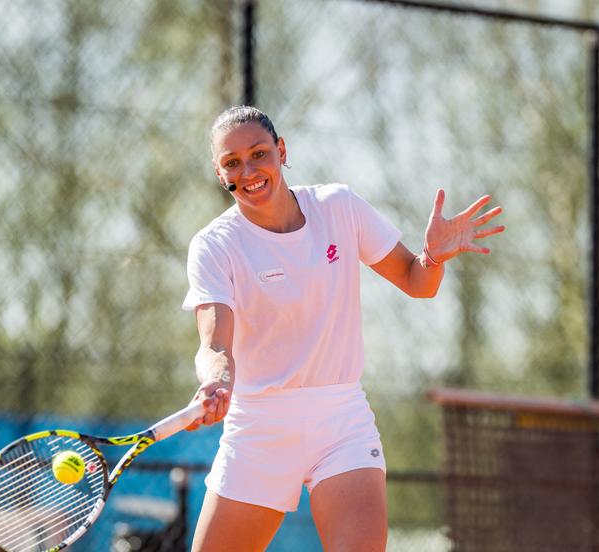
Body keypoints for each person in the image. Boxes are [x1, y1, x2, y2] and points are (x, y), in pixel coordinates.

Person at [182, 105, 504, 551]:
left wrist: (432, 257)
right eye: (232, 162)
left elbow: (417, 281)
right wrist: (216, 380)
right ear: (221, 174)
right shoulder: (214, 246)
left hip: (341, 420)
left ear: (281, 151)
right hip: (258, 428)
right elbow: (215, 341)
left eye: (259, 153)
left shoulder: (339, 207)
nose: (249, 170)